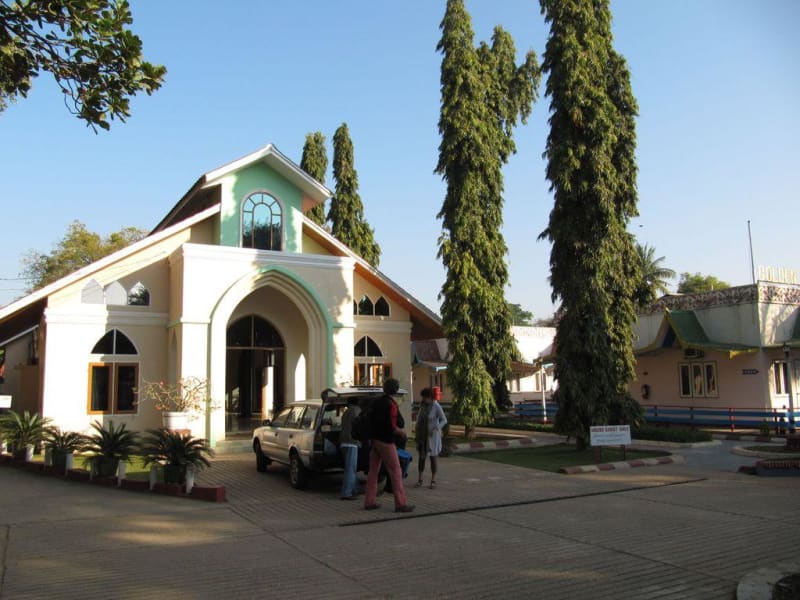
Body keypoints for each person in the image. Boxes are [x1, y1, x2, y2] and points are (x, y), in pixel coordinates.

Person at [363, 378, 414, 513]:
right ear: (395, 390)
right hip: (386, 441)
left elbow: (369, 420)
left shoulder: (375, 402)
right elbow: (394, 425)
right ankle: (400, 504)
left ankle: (369, 501)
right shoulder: (391, 404)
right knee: (396, 471)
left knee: (373, 472)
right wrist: (401, 432)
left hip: (374, 441)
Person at [415, 387, 447, 489]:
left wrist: (437, 428)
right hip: (422, 436)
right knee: (421, 457)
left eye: (425, 397)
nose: (424, 399)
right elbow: (419, 419)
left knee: (433, 458)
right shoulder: (422, 406)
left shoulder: (436, 406)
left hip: (432, 437)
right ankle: (420, 479)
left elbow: (444, 420)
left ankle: (433, 480)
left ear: (430, 397)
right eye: (423, 397)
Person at [338, 398, 361, 500]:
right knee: (351, 469)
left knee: (350, 468)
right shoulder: (356, 411)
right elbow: (359, 425)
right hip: (352, 443)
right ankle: (346, 493)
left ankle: (354, 489)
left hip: (344, 442)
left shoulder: (346, 412)